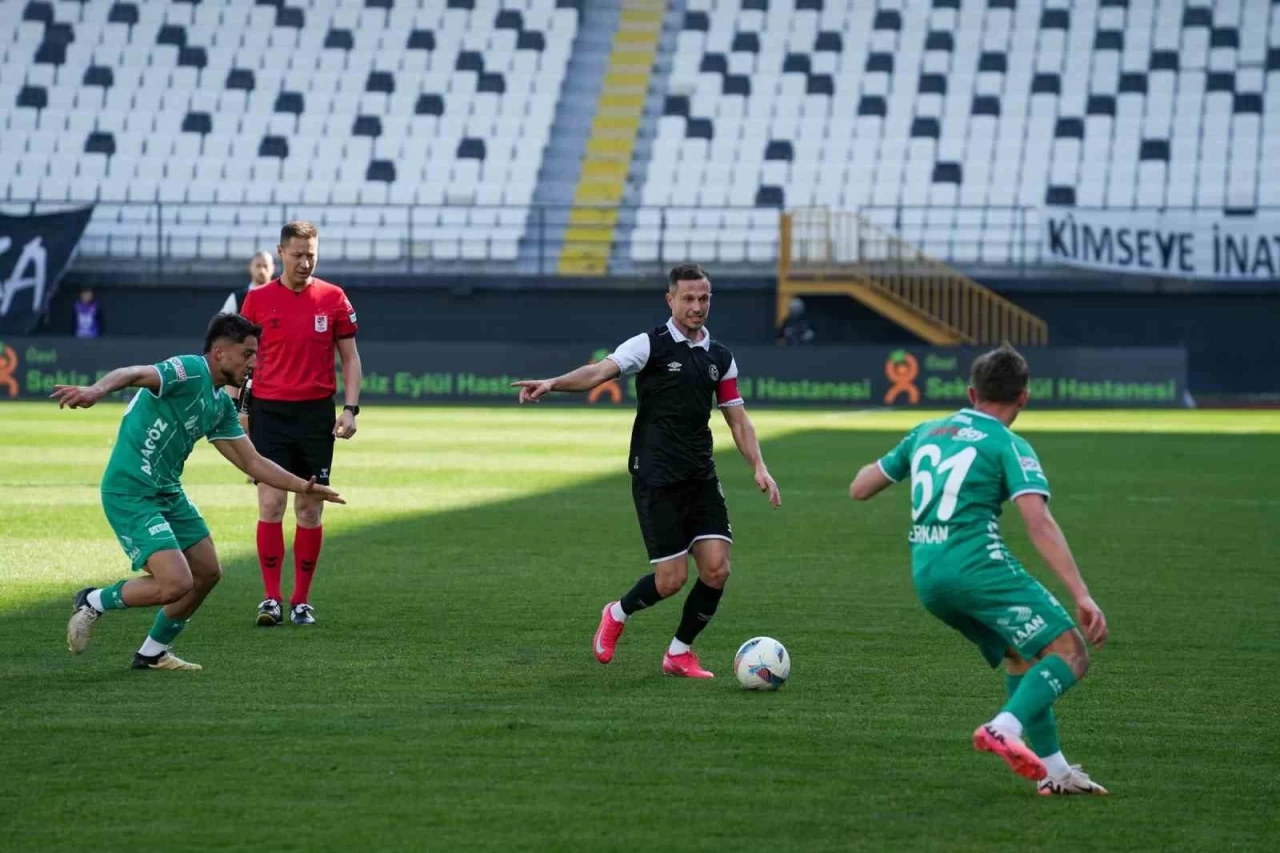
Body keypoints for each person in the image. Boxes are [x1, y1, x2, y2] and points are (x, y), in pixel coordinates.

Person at [848, 344, 1109, 795]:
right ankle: (1004, 727)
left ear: (971, 392)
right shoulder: (1008, 443)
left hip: (928, 576)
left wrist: (899, 460)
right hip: (977, 567)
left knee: (1021, 655)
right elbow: (1038, 522)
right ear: (1024, 397)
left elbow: (860, 487)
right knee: (1071, 652)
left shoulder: (927, 431)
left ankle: (1056, 773)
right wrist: (1081, 593)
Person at [513, 263, 781, 679]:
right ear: (670, 299)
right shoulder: (649, 344)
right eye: (688, 298)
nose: (696, 306)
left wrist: (760, 467)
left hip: (700, 474)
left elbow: (737, 419)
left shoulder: (719, 356)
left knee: (717, 568)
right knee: (671, 579)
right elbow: (599, 372)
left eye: (704, 298)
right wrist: (553, 382)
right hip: (656, 475)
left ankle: (679, 653)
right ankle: (616, 612)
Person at [55, 314, 345, 671]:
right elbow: (133, 373)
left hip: (168, 492)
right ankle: (94, 600)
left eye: (257, 354)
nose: (254, 363)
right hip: (130, 491)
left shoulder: (221, 405)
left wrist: (305, 486)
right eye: (247, 353)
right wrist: (96, 391)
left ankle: (152, 654)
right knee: (176, 582)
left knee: (208, 572)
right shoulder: (189, 370)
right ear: (220, 353)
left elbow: (253, 463)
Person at [240, 221, 362, 628]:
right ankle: (271, 598)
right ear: (281, 253)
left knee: (310, 508)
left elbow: (350, 358)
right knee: (271, 503)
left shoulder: (333, 297)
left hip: (315, 416)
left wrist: (350, 408)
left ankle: (301, 601)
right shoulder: (256, 301)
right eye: (298, 254)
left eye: (312, 254)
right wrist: (240, 408)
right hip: (269, 414)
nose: (305, 261)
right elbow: (243, 361)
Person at [220, 250, 275, 316]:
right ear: (250, 267)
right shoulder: (238, 298)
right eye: (258, 266)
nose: (262, 270)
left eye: (265, 266)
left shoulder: (281, 298)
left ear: (273, 268)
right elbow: (221, 323)